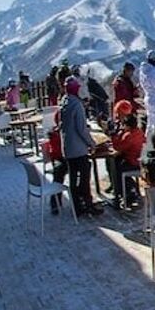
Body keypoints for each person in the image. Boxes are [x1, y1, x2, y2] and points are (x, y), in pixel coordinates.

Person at [59, 77, 100, 217]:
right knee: (83, 179)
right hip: (78, 148)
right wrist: (91, 143)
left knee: (73, 178)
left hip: (68, 147)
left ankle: (77, 206)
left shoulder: (64, 102)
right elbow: (81, 128)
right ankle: (88, 205)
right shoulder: (77, 105)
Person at [109, 114, 145, 209]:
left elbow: (118, 147)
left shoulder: (128, 135)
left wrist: (114, 135)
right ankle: (130, 189)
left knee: (116, 170)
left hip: (132, 162)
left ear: (127, 125)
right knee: (118, 163)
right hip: (139, 161)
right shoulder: (139, 132)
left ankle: (126, 192)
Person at [40, 111, 68, 214]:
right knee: (59, 171)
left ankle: (80, 197)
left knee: (84, 165)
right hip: (59, 159)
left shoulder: (65, 131)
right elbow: (56, 151)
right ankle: (55, 203)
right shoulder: (55, 134)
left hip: (67, 157)